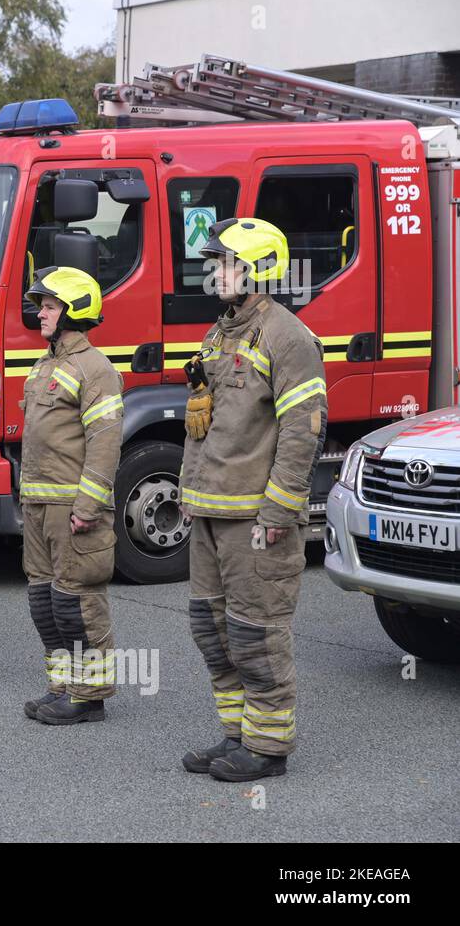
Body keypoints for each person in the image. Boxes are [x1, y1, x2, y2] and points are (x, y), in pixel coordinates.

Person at [179, 218, 327, 782]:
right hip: (211, 512)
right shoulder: (220, 333)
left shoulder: (287, 337)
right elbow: (202, 424)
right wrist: (190, 492)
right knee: (211, 628)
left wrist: (277, 513)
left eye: (225, 263)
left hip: (254, 520)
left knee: (256, 631)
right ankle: (236, 736)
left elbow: (302, 430)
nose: (214, 271)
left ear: (258, 269)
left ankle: (267, 749)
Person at [18, 267, 124, 723]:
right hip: (40, 504)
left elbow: (105, 440)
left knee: (77, 602)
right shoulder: (48, 364)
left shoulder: (94, 368)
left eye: (49, 306)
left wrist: (87, 505)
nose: (40, 313)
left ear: (74, 311)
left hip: (72, 508)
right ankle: (62, 686)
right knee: (44, 600)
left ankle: (89, 696)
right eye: (41, 304)